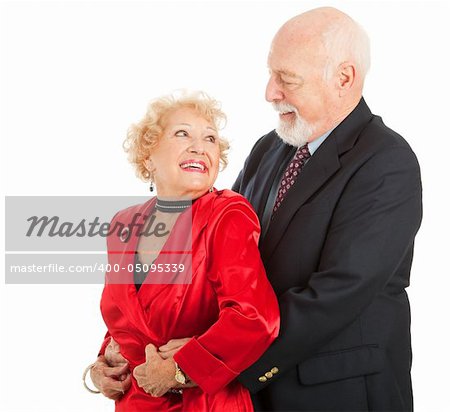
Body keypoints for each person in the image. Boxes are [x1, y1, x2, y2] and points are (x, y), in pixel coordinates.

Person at [163, 6, 422, 412]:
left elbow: (334, 295)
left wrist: (207, 362)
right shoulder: (270, 147)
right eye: (271, 74)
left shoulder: (387, 161)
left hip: (337, 394)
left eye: (287, 79)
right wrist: (137, 349)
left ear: (344, 78)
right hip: (252, 392)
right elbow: (216, 255)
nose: (270, 92)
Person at [82, 91, 280, 411]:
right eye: (182, 133)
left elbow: (255, 318)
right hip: (135, 401)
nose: (199, 147)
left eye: (210, 139)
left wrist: (180, 369)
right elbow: (125, 315)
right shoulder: (124, 225)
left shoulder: (227, 215)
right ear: (149, 156)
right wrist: (103, 365)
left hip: (203, 402)